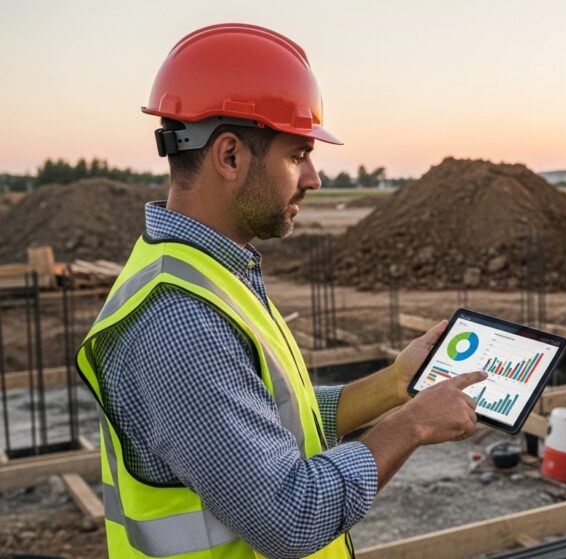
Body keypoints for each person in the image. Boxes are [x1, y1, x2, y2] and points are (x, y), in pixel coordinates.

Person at [76, 23, 485, 558]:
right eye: (297, 156)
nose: (313, 178)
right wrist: (411, 426)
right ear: (229, 157)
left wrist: (395, 385)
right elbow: (292, 517)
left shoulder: (204, 273)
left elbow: (267, 421)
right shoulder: (179, 319)